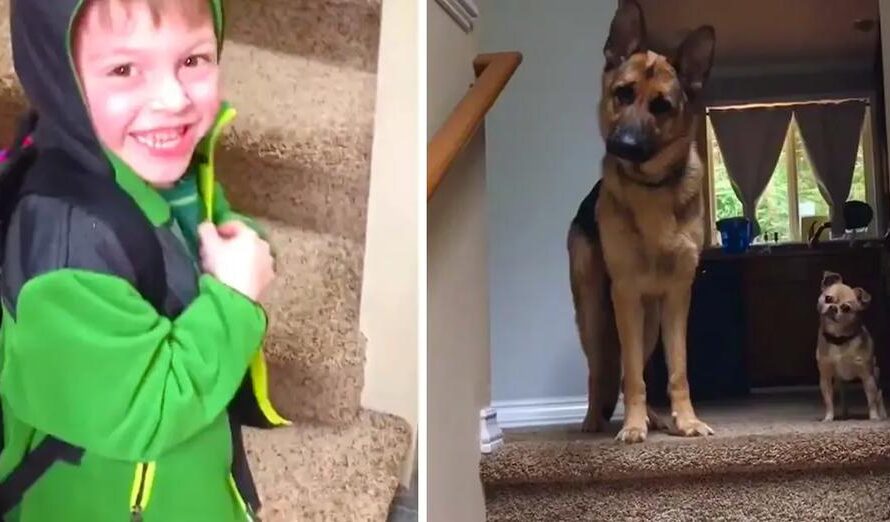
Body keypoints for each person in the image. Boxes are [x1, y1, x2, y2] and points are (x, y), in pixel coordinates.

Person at [0, 0, 288, 520]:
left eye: (193, 60)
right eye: (124, 69)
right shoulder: (66, 254)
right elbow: (145, 413)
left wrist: (240, 244)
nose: (172, 99)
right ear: (58, 79)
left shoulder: (156, 172)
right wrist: (234, 301)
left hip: (181, 486)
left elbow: (204, 229)